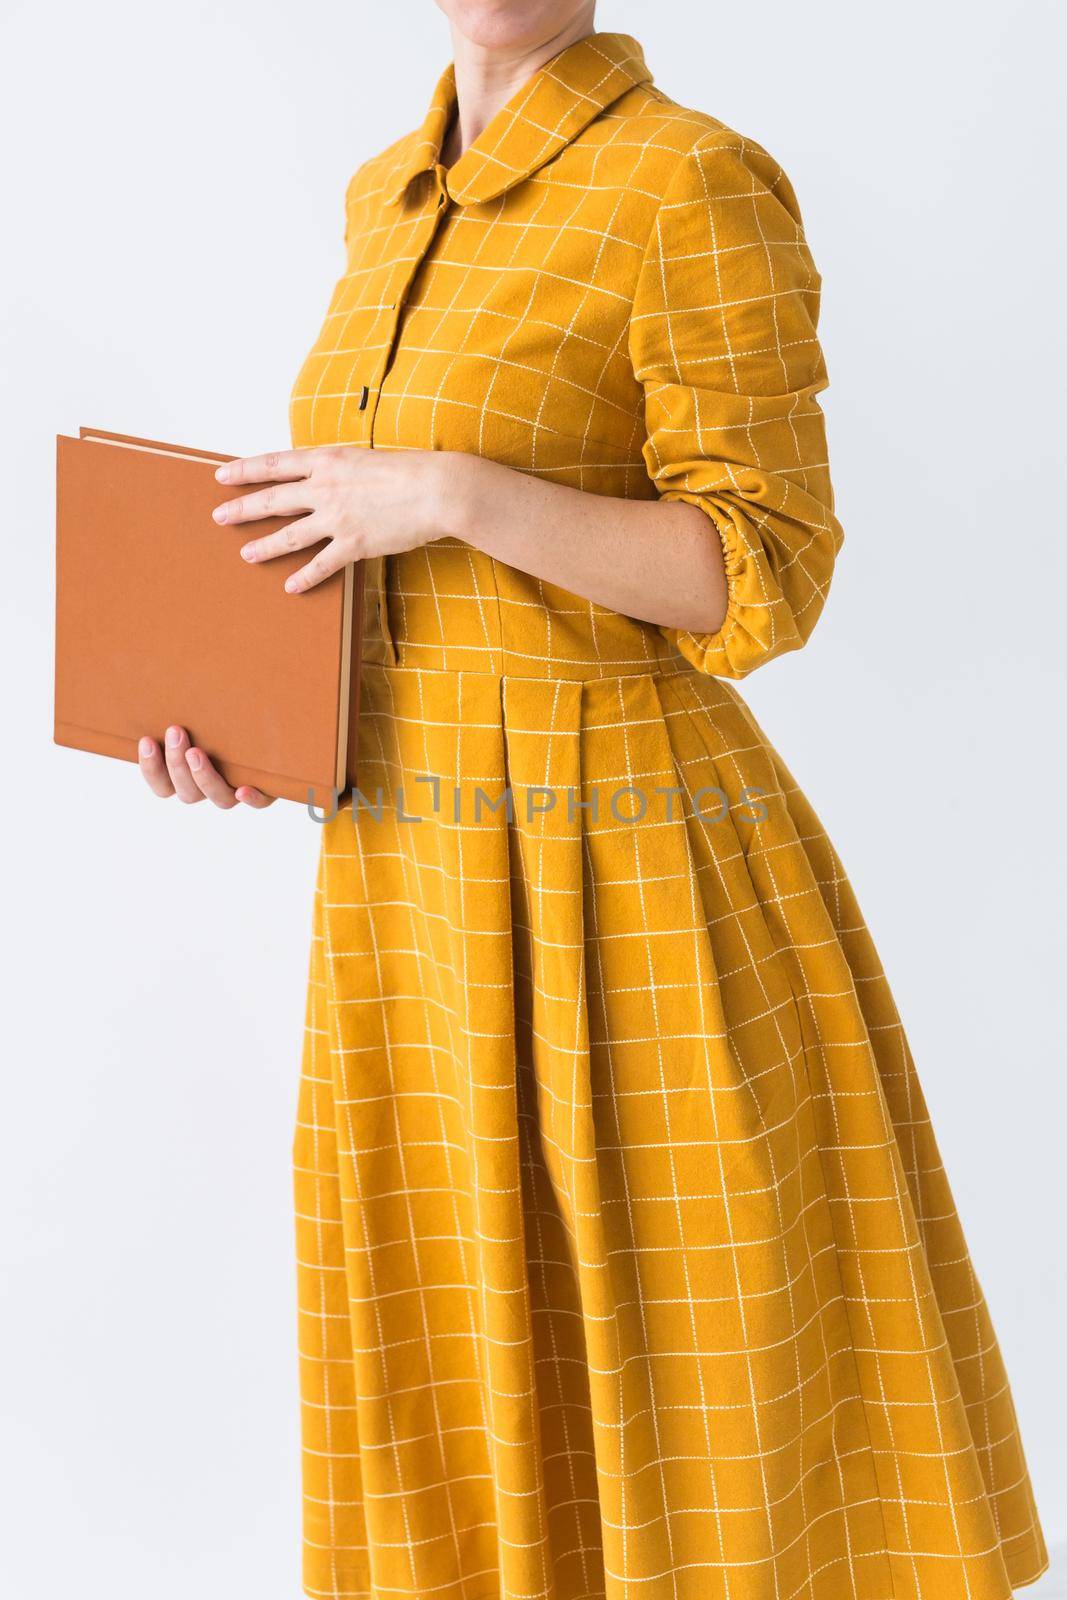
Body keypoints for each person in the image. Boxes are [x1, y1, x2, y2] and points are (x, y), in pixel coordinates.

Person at [137, 4, 1049, 1596]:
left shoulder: (691, 178)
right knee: (458, 1416)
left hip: (628, 889)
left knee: (693, 1421)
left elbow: (765, 573)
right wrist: (264, 742)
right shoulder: (382, 201)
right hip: (402, 902)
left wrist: (455, 493)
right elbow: (383, 592)